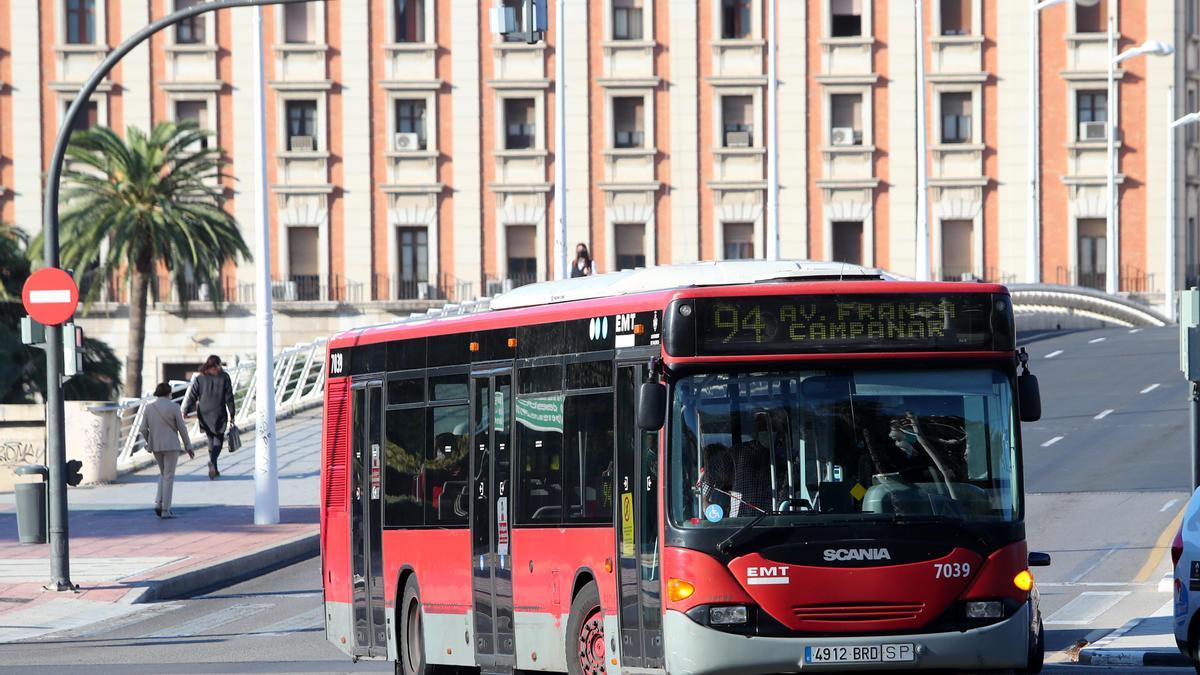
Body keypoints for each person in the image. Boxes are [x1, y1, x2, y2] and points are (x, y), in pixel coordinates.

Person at [139, 383, 194, 518]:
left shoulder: (149, 408)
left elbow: (142, 429)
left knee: (163, 474)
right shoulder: (174, 407)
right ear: (169, 393)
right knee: (169, 476)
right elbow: (182, 428)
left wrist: (149, 440)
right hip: (171, 446)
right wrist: (188, 446)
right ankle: (165, 510)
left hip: (156, 446)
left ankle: (158, 502)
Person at [184, 355, 236, 480]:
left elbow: (192, 395)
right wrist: (232, 414)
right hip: (218, 411)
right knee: (218, 439)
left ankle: (215, 469)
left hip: (204, 412)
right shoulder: (224, 377)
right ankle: (212, 462)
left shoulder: (200, 378)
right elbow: (229, 397)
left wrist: (185, 410)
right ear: (218, 364)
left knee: (210, 439)